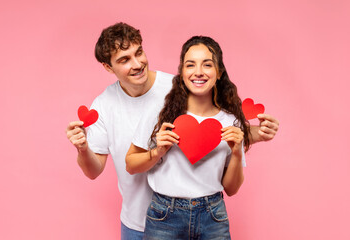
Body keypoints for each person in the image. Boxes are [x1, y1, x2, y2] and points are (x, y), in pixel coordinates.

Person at [66, 23, 279, 240]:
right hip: (140, 219)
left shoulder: (182, 86)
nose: (137, 64)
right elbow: (95, 170)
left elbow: (216, 126)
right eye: (124, 60)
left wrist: (255, 133)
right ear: (108, 67)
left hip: (205, 213)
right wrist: (82, 148)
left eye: (139, 53)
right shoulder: (103, 105)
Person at [126, 36, 261, 239]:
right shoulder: (160, 111)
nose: (198, 72)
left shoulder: (231, 120)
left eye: (207, 65)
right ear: (182, 72)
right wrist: (158, 151)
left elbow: (231, 189)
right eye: (190, 65)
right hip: (164, 215)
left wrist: (236, 153)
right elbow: (130, 165)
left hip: (213, 216)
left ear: (219, 72)